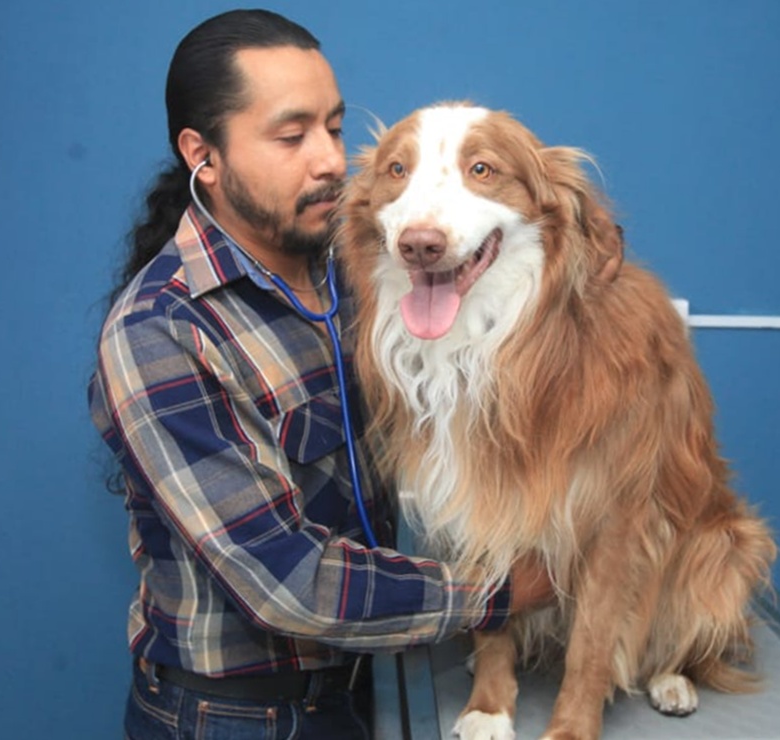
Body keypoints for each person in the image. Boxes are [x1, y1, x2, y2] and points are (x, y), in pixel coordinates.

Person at [88, 9, 553, 739]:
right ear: (203, 155)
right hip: (237, 717)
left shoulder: (361, 276)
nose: (331, 160)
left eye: (333, 129)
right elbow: (288, 582)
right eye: (290, 135)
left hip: (375, 681)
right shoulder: (162, 333)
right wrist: (506, 593)